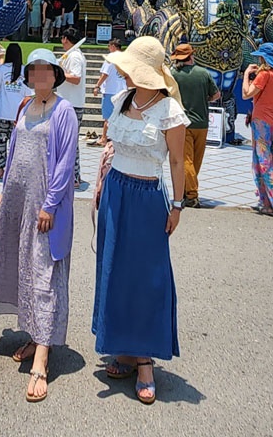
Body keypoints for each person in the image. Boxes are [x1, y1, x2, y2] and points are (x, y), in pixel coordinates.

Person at [92, 36, 189, 405]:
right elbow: (110, 144)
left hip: (148, 194)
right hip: (116, 189)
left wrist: (178, 205)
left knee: (148, 276)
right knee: (114, 268)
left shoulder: (169, 111)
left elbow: (178, 162)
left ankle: (145, 358)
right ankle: (123, 345)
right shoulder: (120, 101)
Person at [0, 48, 78, 403]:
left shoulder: (63, 111)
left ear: (55, 74)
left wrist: (50, 204)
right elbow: (14, 151)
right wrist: (5, 191)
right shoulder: (24, 106)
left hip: (45, 206)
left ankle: (42, 358)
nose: (39, 76)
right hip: (19, 203)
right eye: (33, 70)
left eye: (45, 71)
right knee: (24, 268)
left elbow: (65, 163)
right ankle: (34, 333)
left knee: (44, 275)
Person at [170, 43, 220, 208]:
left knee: (186, 160)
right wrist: (204, 100)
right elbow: (216, 95)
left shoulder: (174, 74)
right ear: (191, 56)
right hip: (202, 123)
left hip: (182, 123)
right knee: (196, 161)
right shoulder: (203, 73)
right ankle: (187, 190)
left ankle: (191, 195)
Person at [242, 42, 273, 218]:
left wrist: (247, 75)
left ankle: (272, 204)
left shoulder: (264, 75)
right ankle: (264, 199)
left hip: (261, 121)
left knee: (262, 161)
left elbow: (247, 94)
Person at [0, 42, 31, 178]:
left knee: (1, 142)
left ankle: (0, 170)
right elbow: (28, 94)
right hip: (18, 114)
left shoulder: (2, 69)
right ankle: (14, 169)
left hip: (2, 111)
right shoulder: (24, 70)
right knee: (17, 143)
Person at [57, 26, 87, 187]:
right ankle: (68, 174)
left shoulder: (75, 56)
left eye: (63, 39)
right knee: (64, 141)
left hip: (72, 104)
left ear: (66, 39)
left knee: (70, 141)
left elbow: (75, 78)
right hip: (67, 101)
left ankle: (74, 176)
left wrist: (58, 73)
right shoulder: (71, 54)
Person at [91, 38, 124, 145]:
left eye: (109, 46)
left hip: (110, 90)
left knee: (108, 117)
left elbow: (105, 74)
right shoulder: (125, 58)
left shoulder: (110, 58)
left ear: (113, 46)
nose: (108, 49)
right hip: (123, 90)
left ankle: (104, 138)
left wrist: (97, 86)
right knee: (120, 116)